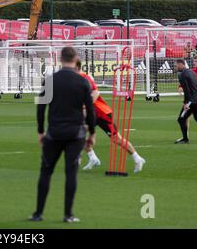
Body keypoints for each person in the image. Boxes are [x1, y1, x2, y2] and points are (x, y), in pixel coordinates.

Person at [30, 47, 96, 223]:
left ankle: (38, 213)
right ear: (75, 59)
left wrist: (40, 131)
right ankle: (68, 214)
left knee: (45, 172)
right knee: (71, 173)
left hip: (54, 133)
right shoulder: (82, 82)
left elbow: (40, 107)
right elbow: (90, 110)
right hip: (76, 133)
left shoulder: (50, 80)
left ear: (60, 59)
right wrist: (92, 133)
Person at [76, 61, 146, 173]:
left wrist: (85, 107)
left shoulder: (84, 77)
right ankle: (92, 157)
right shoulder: (73, 79)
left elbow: (96, 93)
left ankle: (137, 158)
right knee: (80, 135)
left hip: (102, 113)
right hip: (90, 114)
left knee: (116, 139)